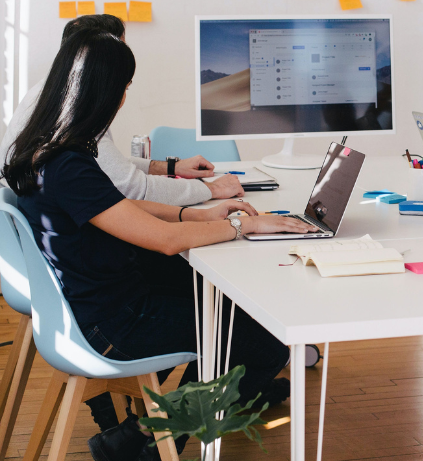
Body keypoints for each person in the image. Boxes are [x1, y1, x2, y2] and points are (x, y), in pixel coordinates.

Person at [2, 30, 316, 461]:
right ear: (105, 92)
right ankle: (145, 446)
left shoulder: (45, 151)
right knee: (264, 346)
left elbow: (121, 207)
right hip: (110, 323)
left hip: (95, 303)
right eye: (125, 88)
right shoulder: (69, 165)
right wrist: (247, 226)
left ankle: (134, 438)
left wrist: (198, 214)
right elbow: (166, 242)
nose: (125, 98)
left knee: (230, 316)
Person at [0, 14, 243, 205]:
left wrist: (171, 168)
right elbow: (132, 188)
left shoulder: (49, 93)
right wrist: (210, 189)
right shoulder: (74, 110)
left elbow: (102, 165)